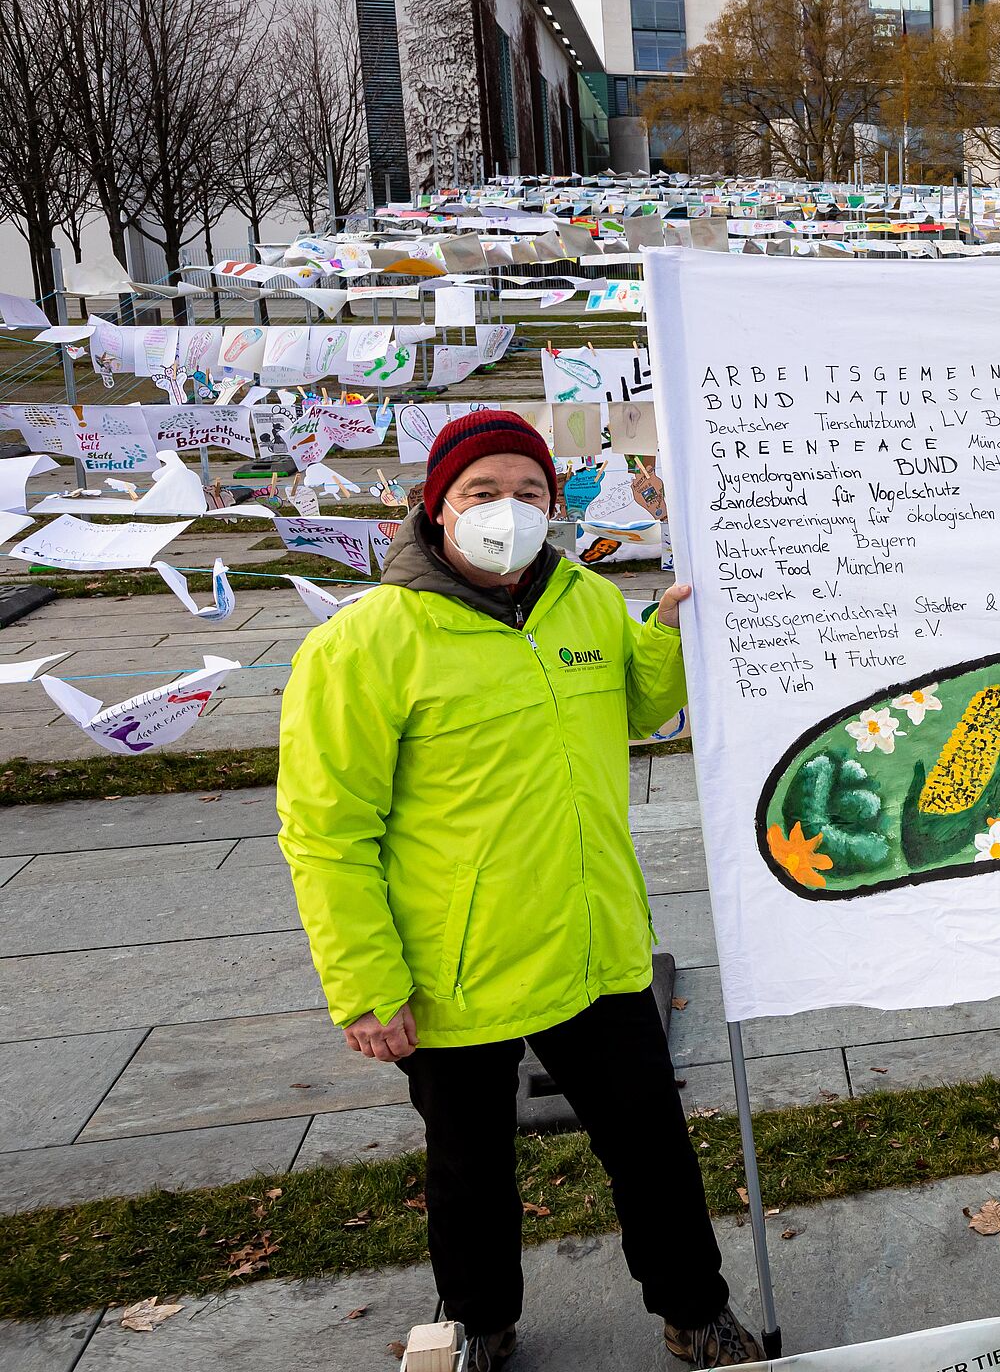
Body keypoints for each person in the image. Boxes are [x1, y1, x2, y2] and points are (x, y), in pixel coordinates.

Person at [277, 410, 762, 1369]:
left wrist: (664, 633)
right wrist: (367, 985)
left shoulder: (581, 599)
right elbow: (325, 833)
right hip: (454, 974)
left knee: (654, 1152)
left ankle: (696, 1313)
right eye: (482, 493)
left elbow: (640, 705)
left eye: (530, 493)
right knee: (471, 1173)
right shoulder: (365, 644)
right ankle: (481, 1325)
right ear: (437, 507)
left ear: (556, 503)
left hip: (593, 947)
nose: (509, 511)